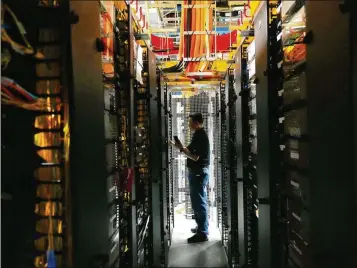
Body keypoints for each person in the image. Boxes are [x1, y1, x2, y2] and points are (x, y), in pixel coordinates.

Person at [170, 113, 210, 243]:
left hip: (198, 172)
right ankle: (201, 227)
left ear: (197, 123)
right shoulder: (198, 135)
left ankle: (203, 232)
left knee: (199, 202)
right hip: (197, 172)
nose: (189, 124)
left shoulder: (201, 136)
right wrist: (177, 146)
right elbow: (190, 150)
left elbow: (195, 157)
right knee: (197, 201)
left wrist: (183, 150)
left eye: (191, 122)